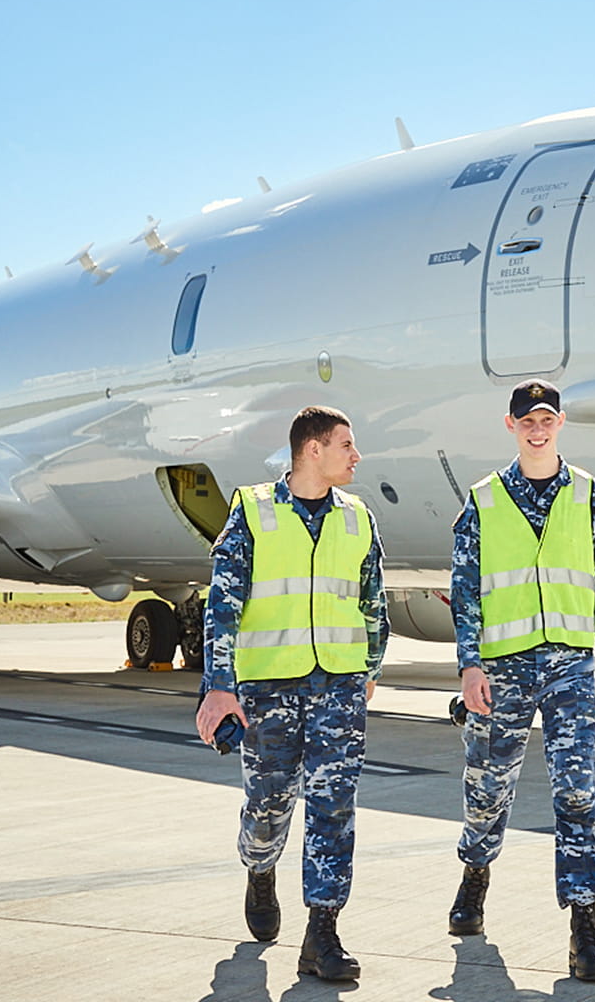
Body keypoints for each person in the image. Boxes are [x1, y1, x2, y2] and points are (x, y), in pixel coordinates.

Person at [195, 405, 387, 983]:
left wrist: (369, 667)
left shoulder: (358, 517)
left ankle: (322, 934)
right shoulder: (253, 512)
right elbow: (222, 607)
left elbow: (372, 599)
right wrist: (219, 688)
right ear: (312, 450)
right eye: (346, 445)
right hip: (269, 691)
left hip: (340, 688)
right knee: (268, 808)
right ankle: (259, 869)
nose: (356, 456)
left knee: (334, 809)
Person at [447, 378, 595, 984]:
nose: (538, 428)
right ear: (511, 426)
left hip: (572, 666)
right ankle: (475, 874)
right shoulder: (485, 498)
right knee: (487, 789)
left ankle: (584, 925)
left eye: (546, 418)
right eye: (528, 421)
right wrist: (470, 662)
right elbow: (466, 589)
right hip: (503, 668)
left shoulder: (589, 496)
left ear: (561, 422)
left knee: (577, 792)